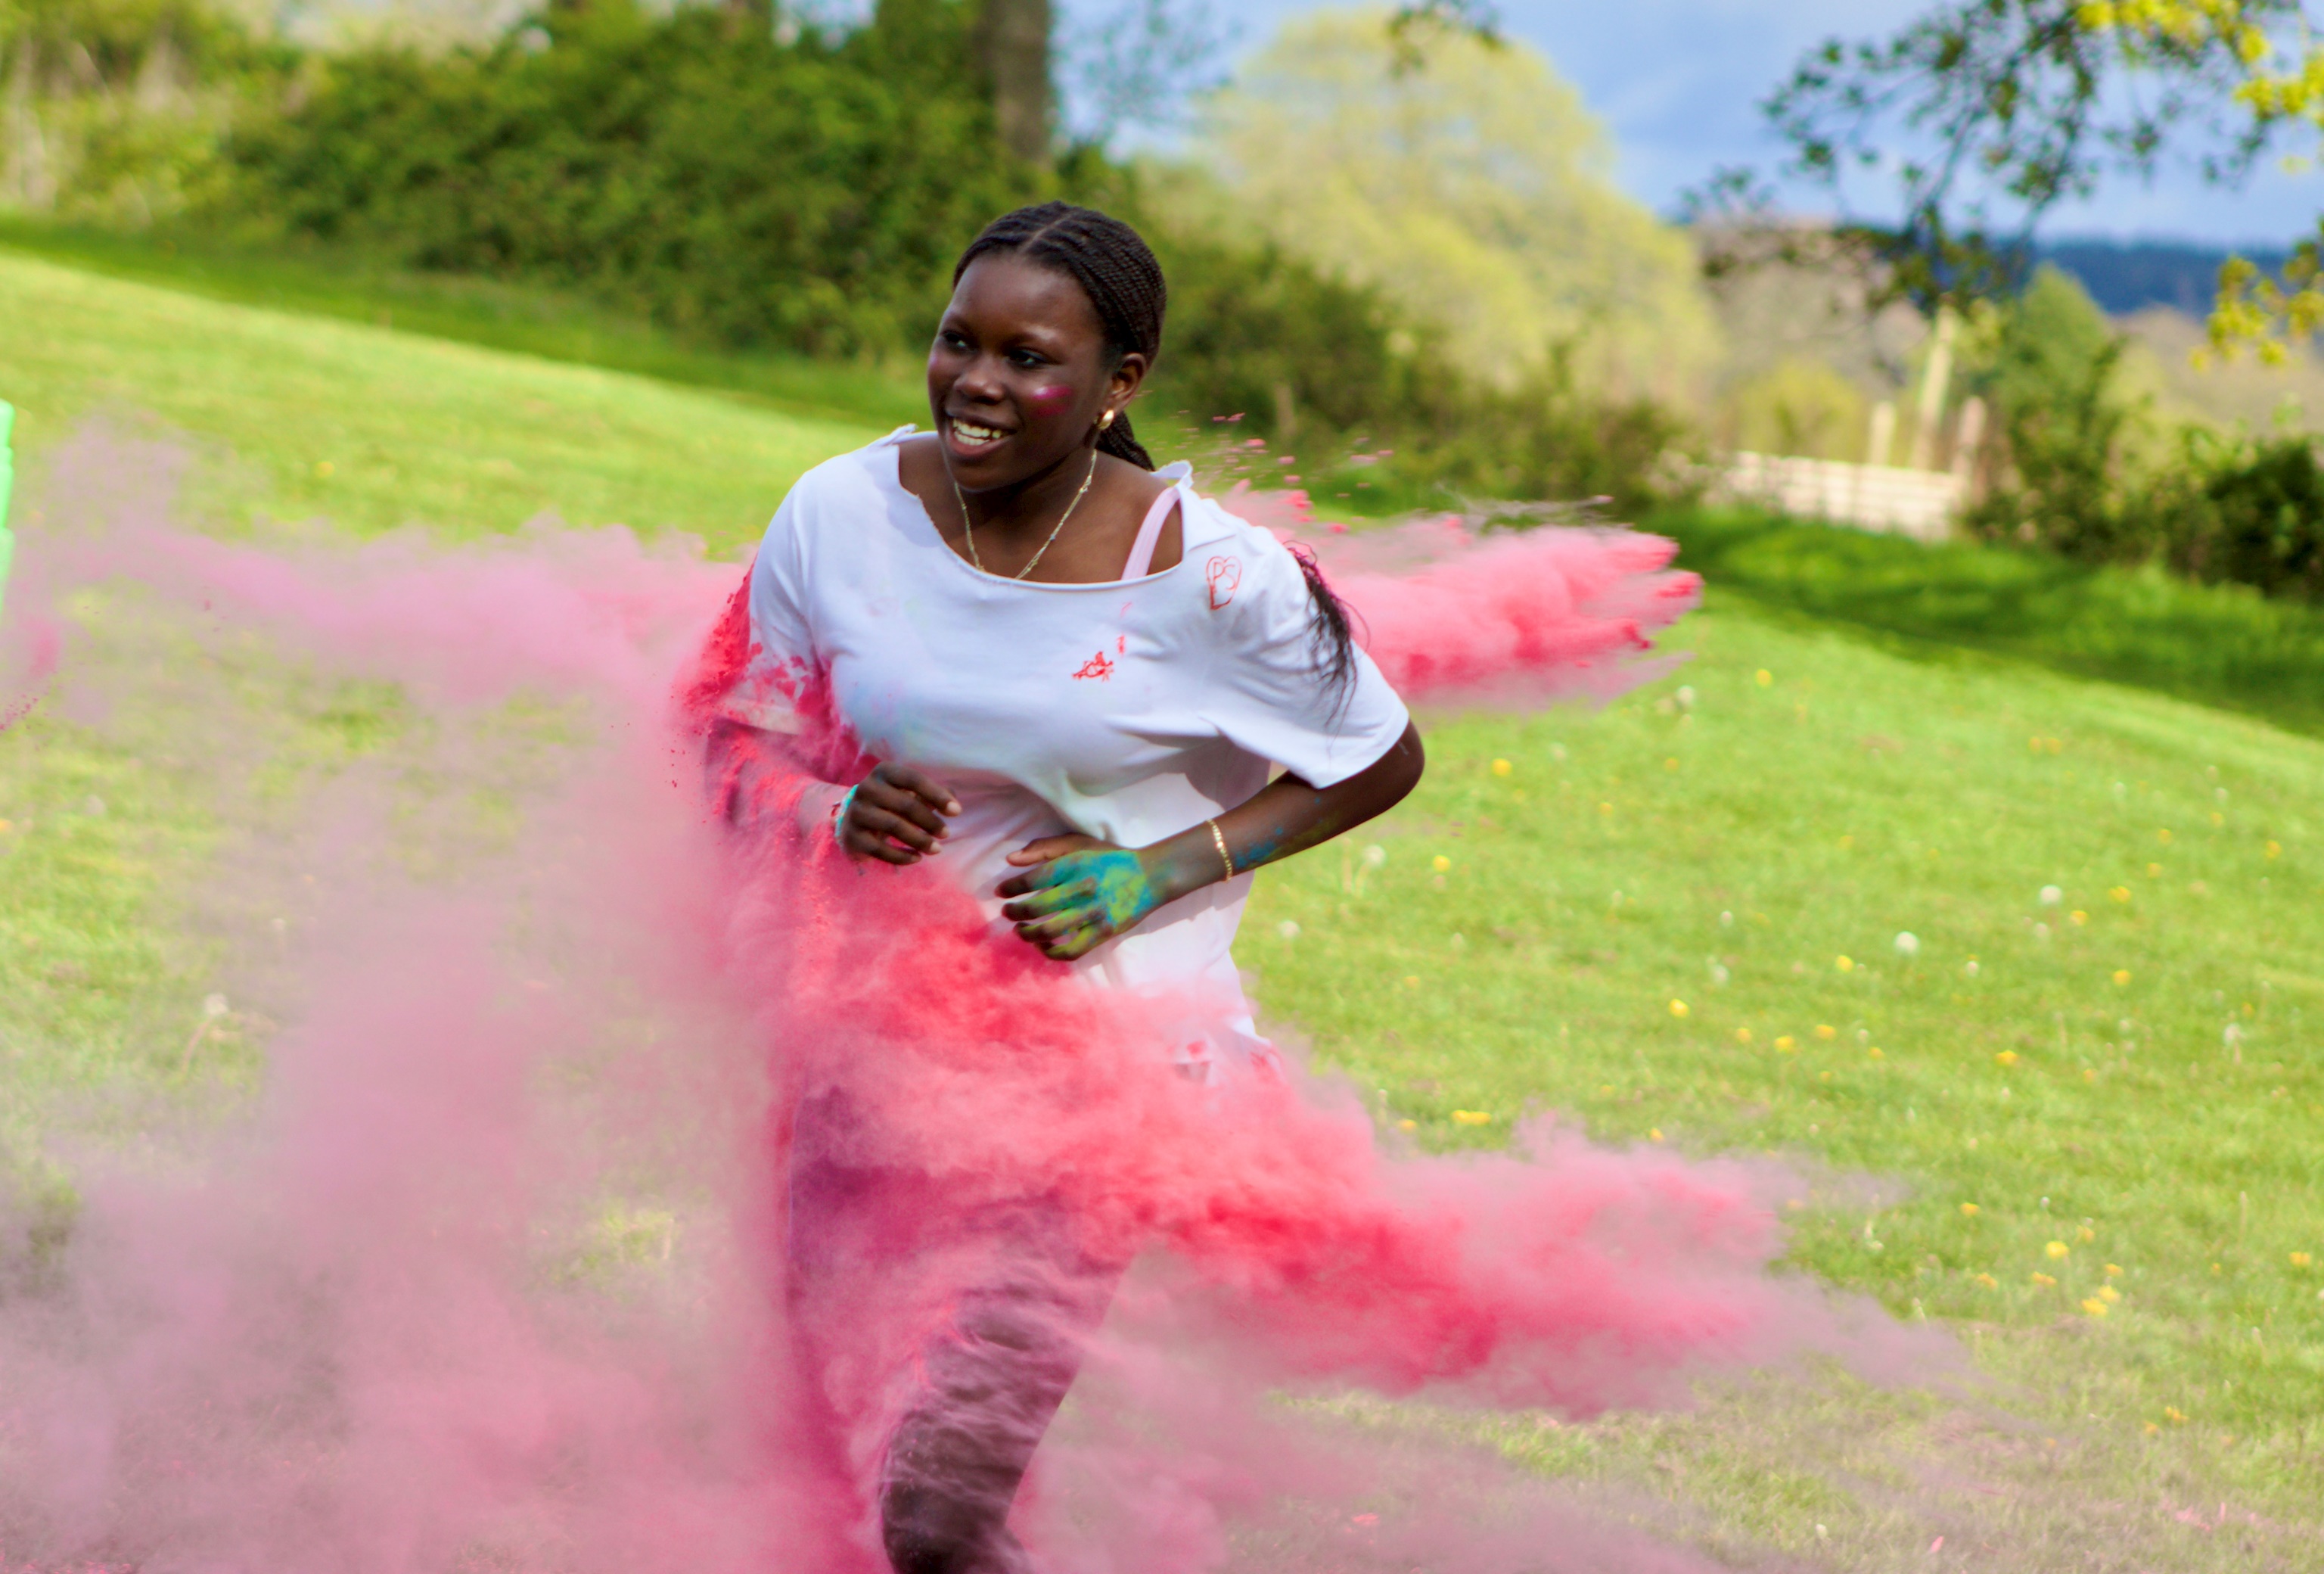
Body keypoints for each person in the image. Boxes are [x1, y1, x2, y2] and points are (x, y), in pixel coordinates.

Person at [704, 201, 1423, 1574]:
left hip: (1106, 1075)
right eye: (954, 342)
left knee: (939, 1511)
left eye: (1027, 358)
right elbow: (729, 736)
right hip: (871, 1055)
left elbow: (1378, 757)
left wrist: (1152, 872)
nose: (976, 382)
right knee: (839, 1444)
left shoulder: (1214, 576)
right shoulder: (840, 511)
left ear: (1118, 386)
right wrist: (830, 808)